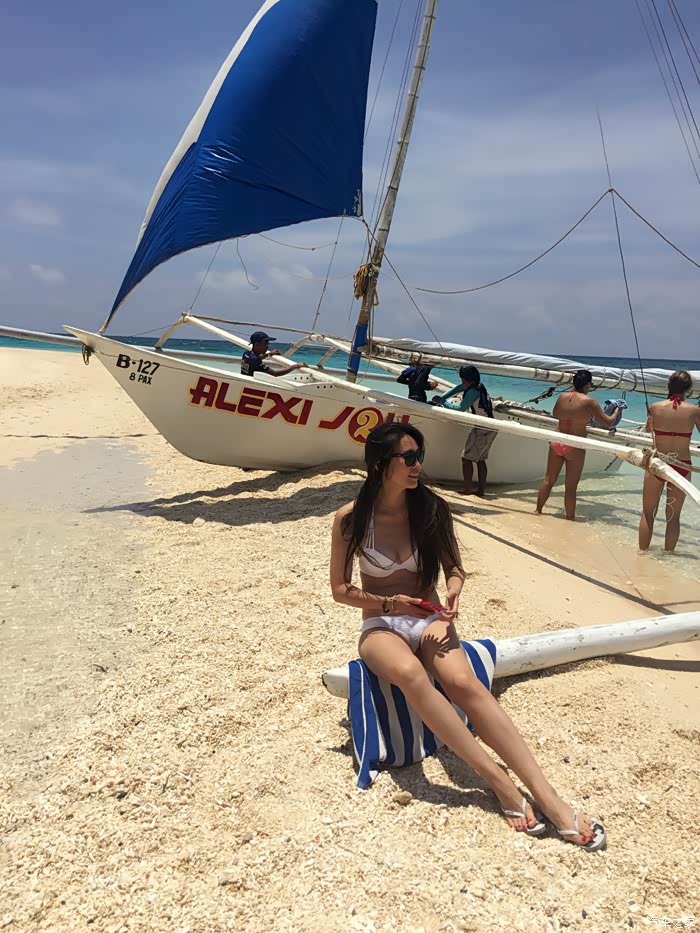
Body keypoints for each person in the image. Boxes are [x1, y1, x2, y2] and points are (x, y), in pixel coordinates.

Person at [329, 422, 607, 851]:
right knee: (411, 674)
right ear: (381, 464)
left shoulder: (431, 508)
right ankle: (498, 781)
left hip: (430, 617)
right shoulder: (351, 519)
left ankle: (549, 797)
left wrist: (454, 591)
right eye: (410, 457)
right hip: (381, 624)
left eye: (420, 455)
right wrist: (392, 604)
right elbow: (340, 590)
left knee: (464, 683)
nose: (419, 465)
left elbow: (454, 569)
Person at [536, 370, 621, 521]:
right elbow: (608, 422)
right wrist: (617, 410)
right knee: (570, 487)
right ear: (587, 384)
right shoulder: (590, 402)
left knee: (548, 481)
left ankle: (538, 511)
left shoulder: (562, 397)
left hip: (557, 440)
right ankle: (570, 520)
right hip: (574, 444)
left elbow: (556, 413)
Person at [639, 371, 699, 552]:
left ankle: (642, 554)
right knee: (673, 517)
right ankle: (668, 557)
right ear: (688, 389)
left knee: (648, 513)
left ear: (669, 386)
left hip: (658, 463)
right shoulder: (694, 410)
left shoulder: (656, 407)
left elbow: (649, 429)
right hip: (682, 465)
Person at [434, 365, 496, 497]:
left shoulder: (473, 392)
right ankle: (480, 490)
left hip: (483, 428)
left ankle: (468, 489)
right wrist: (443, 397)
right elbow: (457, 389)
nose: (462, 383)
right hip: (490, 426)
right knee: (480, 459)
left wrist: (443, 402)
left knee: (466, 459)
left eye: (463, 380)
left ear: (470, 381)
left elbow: (460, 409)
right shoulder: (478, 386)